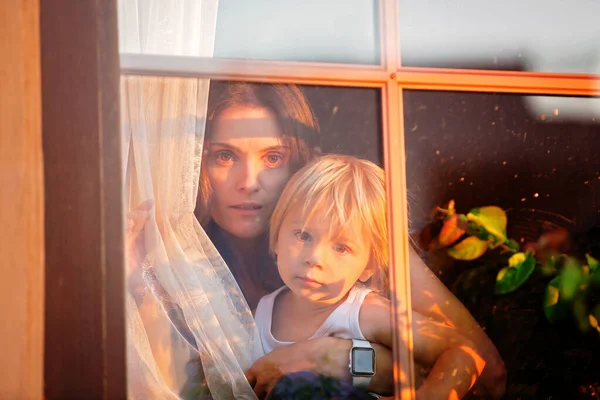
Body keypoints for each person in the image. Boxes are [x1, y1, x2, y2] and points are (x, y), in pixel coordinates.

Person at [196, 81, 506, 398]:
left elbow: (485, 374)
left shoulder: (364, 247)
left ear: (302, 165)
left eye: (273, 157)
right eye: (224, 156)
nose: (249, 182)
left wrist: (326, 355)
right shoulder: (178, 265)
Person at [254, 154, 486, 399]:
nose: (315, 258)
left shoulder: (365, 312)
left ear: (370, 266)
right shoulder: (260, 311)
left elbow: (465, 352)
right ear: (277, 237)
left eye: (341, 247)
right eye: (303, 235)